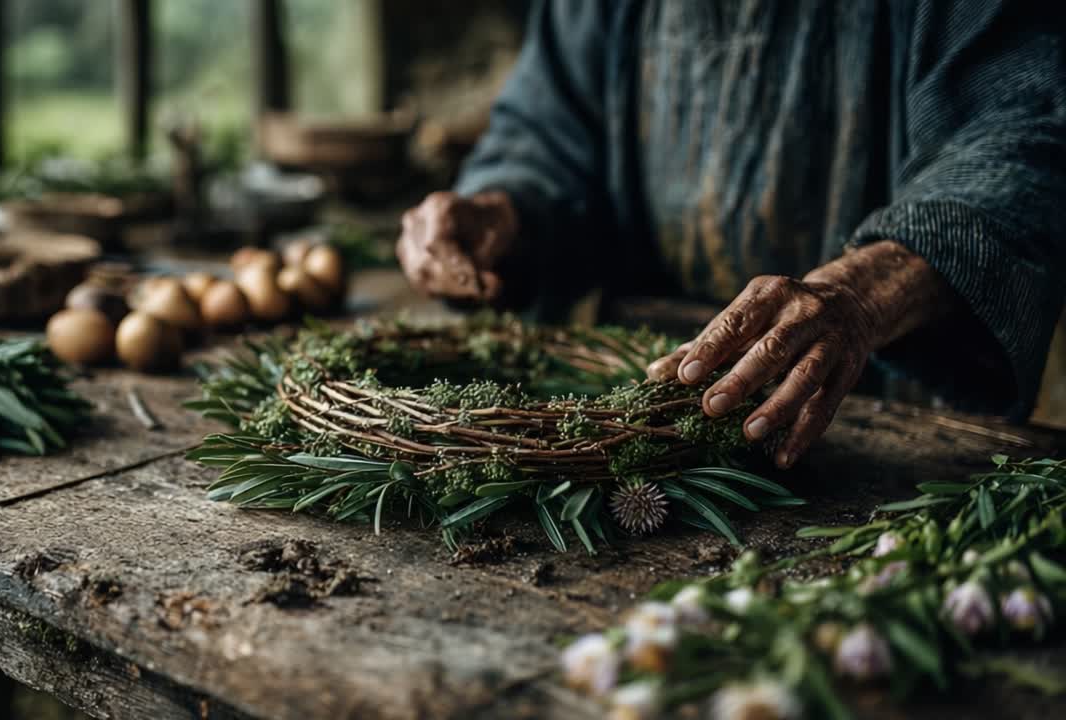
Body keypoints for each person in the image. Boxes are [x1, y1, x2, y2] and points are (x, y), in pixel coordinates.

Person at [396, 0, 1066, 468]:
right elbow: (547, 131)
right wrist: (500, 211)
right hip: (629, 412)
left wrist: (861, 296)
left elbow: (1024, 136)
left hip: (885, 408)